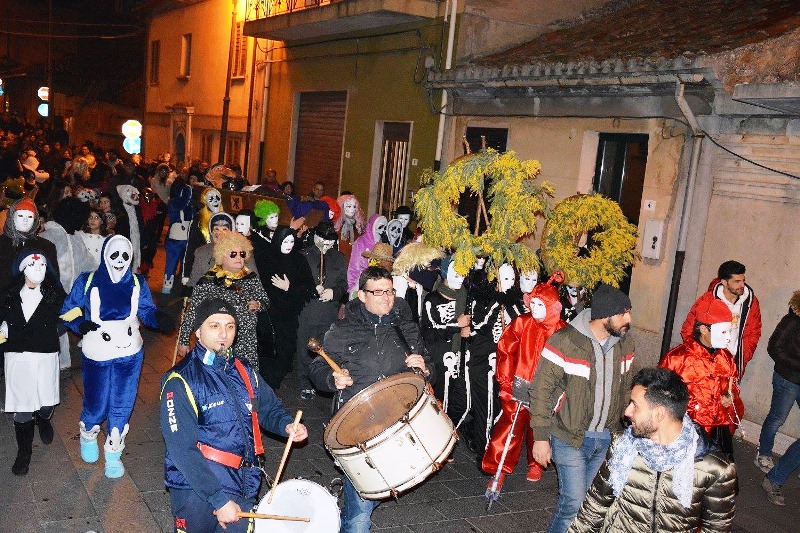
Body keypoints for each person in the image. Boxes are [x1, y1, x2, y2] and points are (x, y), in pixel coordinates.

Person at [161, 298, 308, 532]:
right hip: (197, 488)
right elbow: (181, 450)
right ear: (198, 331)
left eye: (230, 326)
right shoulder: (180, 380)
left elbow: (268, 408)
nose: (223, 334)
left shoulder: (243, 369)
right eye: (214, 326)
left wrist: (286, 425)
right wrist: (218, 499)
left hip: (243, 480)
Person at [309, 266, 435, 533]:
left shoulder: (407, 328)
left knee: (386, 484)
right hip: (358, 425)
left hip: (397, 421)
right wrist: (333, 380)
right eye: (377, 292)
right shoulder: (342, 330)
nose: (386, 298)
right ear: (362, 295)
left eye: (389, 291)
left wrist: (424, 369)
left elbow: (429, 369)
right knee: (360, 513)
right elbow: (318, 368)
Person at [567, 367, 737, 532]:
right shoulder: (622, 448)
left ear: (659, 414)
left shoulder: (715, 469)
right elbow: (595, 506)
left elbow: (716, 528)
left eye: (635, 405)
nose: (627, 412)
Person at [61, 235, 174, 478]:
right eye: (115, 254)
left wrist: (159, 319)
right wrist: (80, 324)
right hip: (97, 353)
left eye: (125, 255)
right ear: (105, 255)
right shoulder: (87, 281)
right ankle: (89, 432)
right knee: (97, 403)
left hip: (130, 352)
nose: (120, 260)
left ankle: (113, 451)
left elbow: (146, 310)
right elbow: (67, 311)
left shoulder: (137, 282)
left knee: (123, 403)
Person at [529, 283, 635, 533]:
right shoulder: (565, 341)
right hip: (569, 437)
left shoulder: (625, 345)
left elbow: (627, 389)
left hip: (606, 438)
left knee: (589, 507)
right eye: (623, 313)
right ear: (605, 316)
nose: (628, 319)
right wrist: (541, 438)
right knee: (573, 504)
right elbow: (541, 390)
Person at [481, 272, 566, 489]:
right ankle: (498, 468)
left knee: (538, 428)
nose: (534, 309)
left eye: (540, 305)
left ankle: (536, 462)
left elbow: (567, 363)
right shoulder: (522, 322)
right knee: (509, 427)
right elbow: (506, 349)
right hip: (518, 384)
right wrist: (506, 379)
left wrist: (561, 391)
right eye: (533, 303)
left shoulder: (561, 330)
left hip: (547, 391)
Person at [0, 251, 66, 475]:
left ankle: (44, 418)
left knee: (46, 402)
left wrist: (53, 331)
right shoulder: (9, 294)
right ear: (22, 268)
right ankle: (24, 452)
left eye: (42, 265)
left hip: (45, 354)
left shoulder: (54, 293)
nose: (38, 269)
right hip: (18, 357)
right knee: (23, 406)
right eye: (32, 264)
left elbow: (70, 315)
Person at [660, 297, 743, 458]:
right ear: (704, 329)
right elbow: (660, 396)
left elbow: (733, 387)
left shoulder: (726, 357)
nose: (728, 338)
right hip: (687, 428)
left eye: (730, 331)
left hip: (719, 429)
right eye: (723, 332)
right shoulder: (677, 359)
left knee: (719, 476)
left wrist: (730, 396)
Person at [177, 231, 270, 372]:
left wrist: (258, 304)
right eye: (233, 254)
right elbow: (192, 311)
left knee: (246, 382)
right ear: (221, 255)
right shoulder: (208, 280)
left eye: (242, 254)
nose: (239, 258)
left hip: (246, 343)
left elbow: (265, 300)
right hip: (218, 342)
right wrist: (183, 340)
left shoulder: (250, 277)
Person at [681, 260, 761, 380]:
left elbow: (755, 331)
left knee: (729, 396)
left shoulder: (751, 303)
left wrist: (744, 355)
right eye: (737, 281)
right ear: (724, 282)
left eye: (743, 280)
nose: (742, 285)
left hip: (734, 362)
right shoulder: (708, 301)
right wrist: (697, 356)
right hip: (707, 363)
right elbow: (688, 329)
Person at [295, 221, 347, 400]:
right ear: (315, 237)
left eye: (330, 242)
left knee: (325, 346)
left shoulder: (339, 257)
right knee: (304, 345)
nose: (326, 246)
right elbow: (296, 284)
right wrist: (311, 289)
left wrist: (334, 293)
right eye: (322, 241)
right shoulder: (303, 255)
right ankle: (304, 382)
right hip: (308, 309)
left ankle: (324, 379)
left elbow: (343, 284)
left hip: (328, 310)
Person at [756, 290, 800, 474]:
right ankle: (763, 454)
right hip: (787, 378)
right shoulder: (791, 321)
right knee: (777, 418)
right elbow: (774, 347)